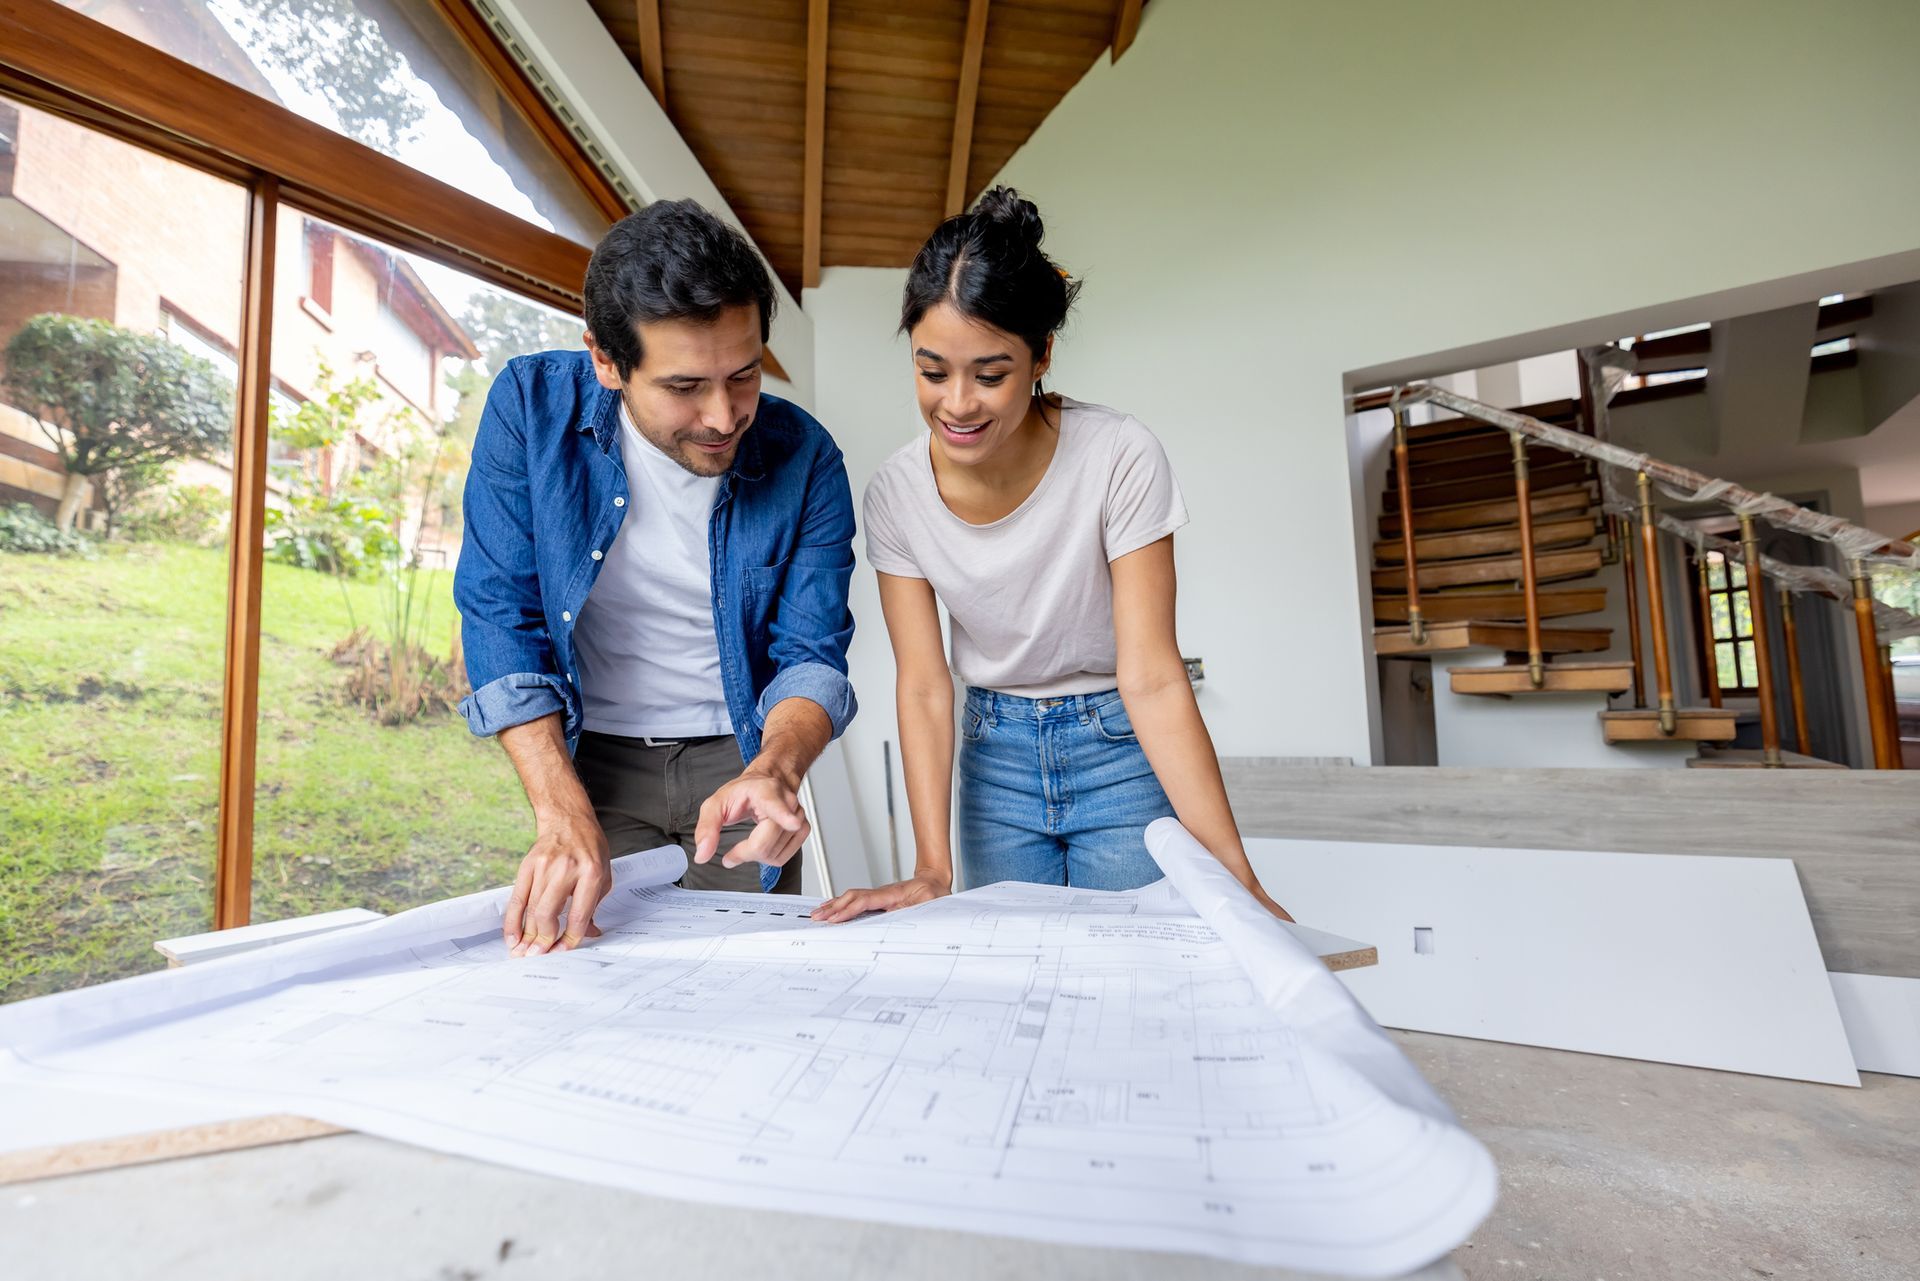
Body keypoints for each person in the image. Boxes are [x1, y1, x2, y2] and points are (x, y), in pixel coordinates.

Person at [811, 187, 1287, 924]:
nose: (958, 404)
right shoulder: (897, 494)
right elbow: (925, 685)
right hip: (992, 756)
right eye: (932, 371)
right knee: (1017, 993)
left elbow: (1153, 675)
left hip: (1119, 748)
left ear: (1041, 357)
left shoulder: (1118, 455)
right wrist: (930, 867)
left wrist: (1238, 876)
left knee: (1133, 981)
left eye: (990, 374)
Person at [455, 199, 857, 956]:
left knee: (743, 981)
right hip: (595, 757)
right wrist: (558, 807)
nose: (722, 414)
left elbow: (810, 649)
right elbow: (499, 611)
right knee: (587, 972)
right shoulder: (529, 410)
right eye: (683, 387)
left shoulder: (806, 456)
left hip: (740, 757)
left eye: (744, 375)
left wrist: (776, 768)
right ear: (606, 360)